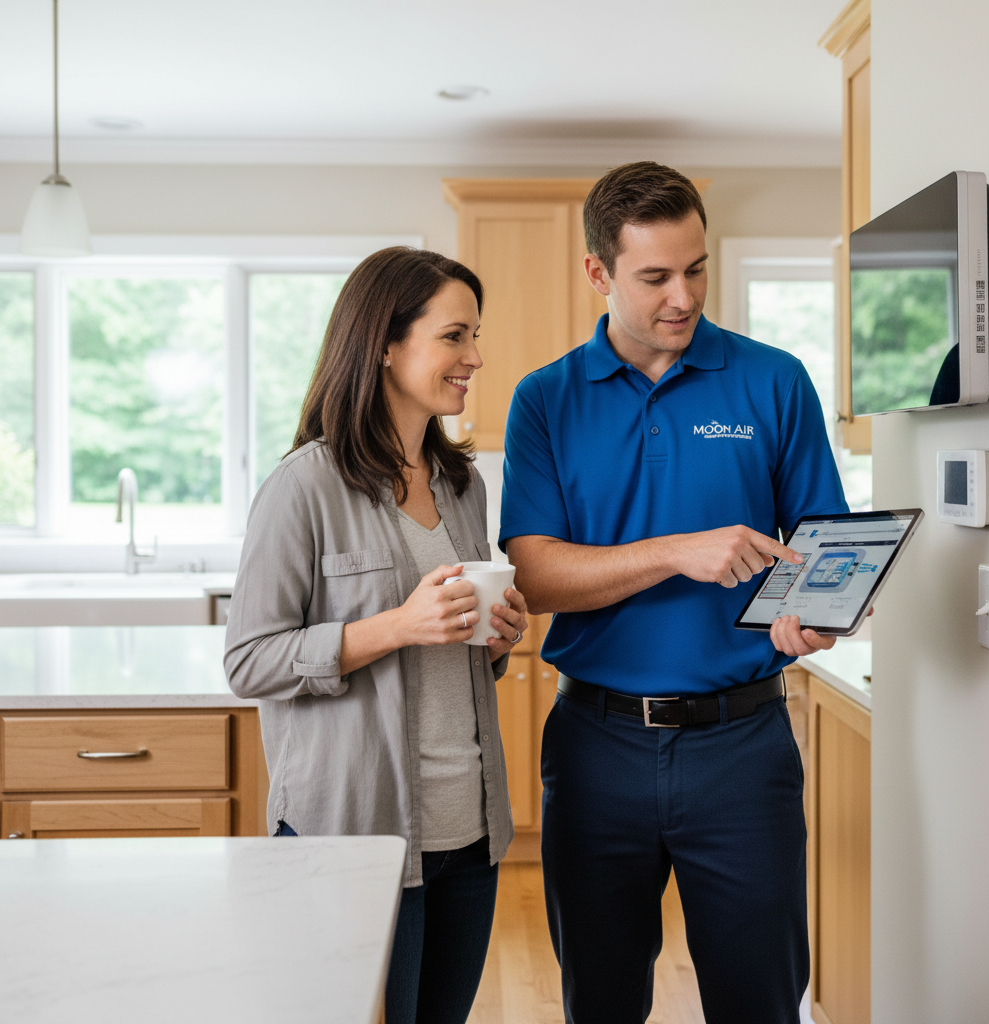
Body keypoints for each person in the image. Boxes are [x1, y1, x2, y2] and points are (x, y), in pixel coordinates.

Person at [499, 162, 849, 1024]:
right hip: (594, 747)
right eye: (654, 276)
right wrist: (677, 553)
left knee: (760, 1000)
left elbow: (821, 549)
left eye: (696, 269)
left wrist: (819, 614)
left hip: (744, 745)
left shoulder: (773, 380)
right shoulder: (543, 400)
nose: (682, 296)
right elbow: (537, 575)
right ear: (598, 273)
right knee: (602, 1001)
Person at [224, 246, 529, 1024]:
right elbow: (250, 660)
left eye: (475, 336)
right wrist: (395, 626)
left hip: (468, 827)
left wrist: (492, 640)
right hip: (354, 830)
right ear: (387, 345)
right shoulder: (305, 487)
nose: (476, 358)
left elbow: (447, 657)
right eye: (455, 336)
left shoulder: (462, 484)